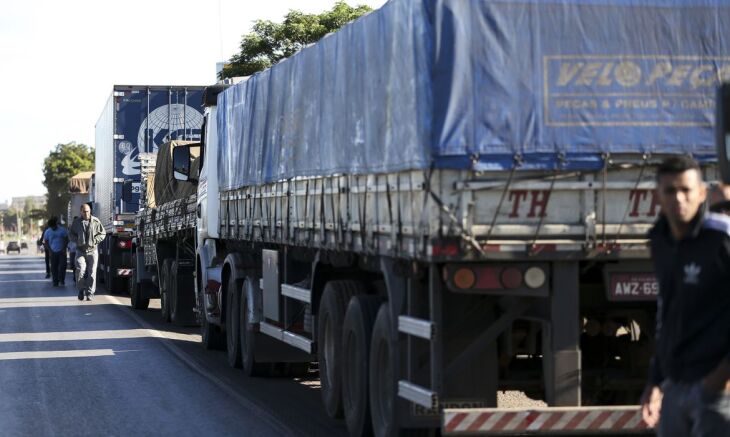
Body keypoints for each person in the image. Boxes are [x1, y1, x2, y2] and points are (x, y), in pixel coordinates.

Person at [641, 156, 730, 436]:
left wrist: (718, 381)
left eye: (686, 190)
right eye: (670, 191)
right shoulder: (660, 241)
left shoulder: (722, 239)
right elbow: (666, 313)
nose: (679, 199)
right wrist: (655, 381)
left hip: (716, 391)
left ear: (702, 193)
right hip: (674, 388)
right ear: (658, 196)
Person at [68, 204, 105, 301]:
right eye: (84, 211)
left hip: (92, 251)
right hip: (80, 251)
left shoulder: (96, 221)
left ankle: (90, 293)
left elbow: (102, 233)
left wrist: (95, 240)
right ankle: (81, 290)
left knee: (92, 272)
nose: (86, 213)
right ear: (81, 212)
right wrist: (77, 240)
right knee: (80, 270)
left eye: (88, 211)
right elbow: (71, 234)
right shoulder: (76, 222)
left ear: (90, 211)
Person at [43, 217, 68, 287]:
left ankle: (62, 279)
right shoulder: (47, 232)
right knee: (54, 267)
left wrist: (64, 248)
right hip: (53, 251)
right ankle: (55, 281)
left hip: (62, 251)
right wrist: (49, 250)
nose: (53, 228)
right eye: (51, 227)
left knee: (62, 266)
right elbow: (46, 242)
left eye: (54, 227)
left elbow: (66, 239)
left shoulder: (62, 230)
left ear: (56, 225)